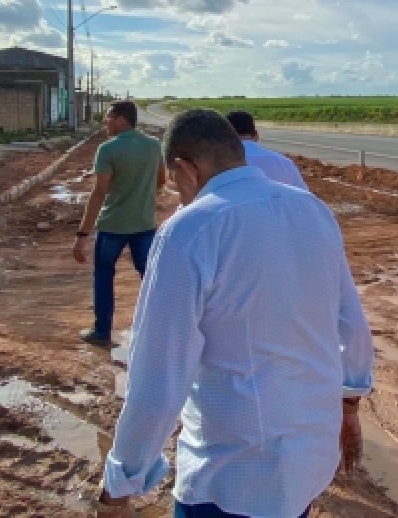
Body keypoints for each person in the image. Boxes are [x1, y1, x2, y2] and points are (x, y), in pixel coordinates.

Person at [93, 109, 373, 517]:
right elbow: (350, 322)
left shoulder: (192, 228)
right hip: (307, 458)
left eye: (174, 184)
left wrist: (122, 480)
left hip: (232, 473)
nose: (179, 195)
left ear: (185, 169)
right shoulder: (313, 210)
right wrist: (349, 406)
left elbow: (159, 375)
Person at [71, 101, 164, 348]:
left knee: (103, 276)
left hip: (112, 225)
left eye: (108, 117)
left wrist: (82, 234)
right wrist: (140, 197)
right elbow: (161, 180)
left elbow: (99, 192)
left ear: (121, 119)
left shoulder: (108, 149)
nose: (105, 122)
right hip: (145, 224)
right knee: (151, 278)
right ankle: (158, 332)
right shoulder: (154, 145)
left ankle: (102, 332)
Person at [225, 110, 308, 190]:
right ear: (256, 135)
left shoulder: (219, 166)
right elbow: (305, 198)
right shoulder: (284, 163)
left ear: (224, 137)